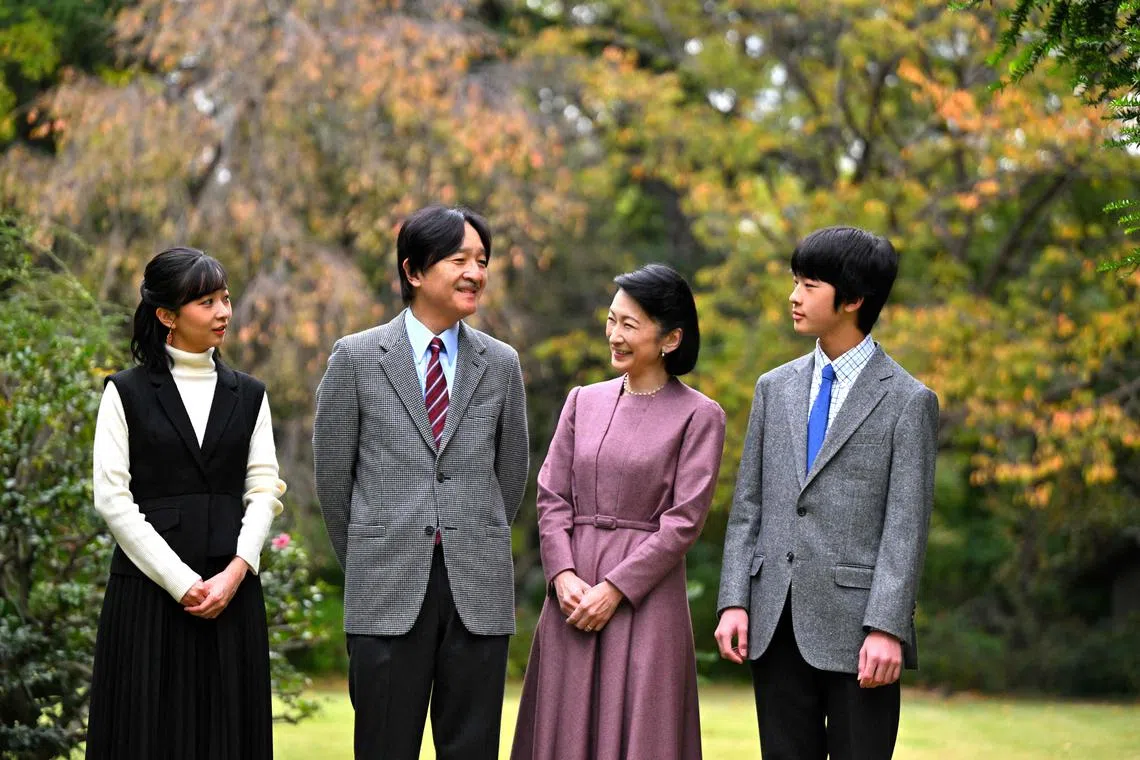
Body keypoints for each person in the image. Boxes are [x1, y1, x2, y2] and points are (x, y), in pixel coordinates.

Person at [714, 226, 939, 759]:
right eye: (795, 281)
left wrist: (887, 626)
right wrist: (733, 600)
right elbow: (749, 504)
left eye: (809, 284)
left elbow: (906, 526)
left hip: (861, 635)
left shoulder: (909, 401)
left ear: (853, 300)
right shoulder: (774, 387)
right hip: (774, 621)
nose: (793, 296)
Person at [313, 204, 529, 760]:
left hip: (476, 590)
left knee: (473, 747)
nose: (475, 272)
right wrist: (372, 551)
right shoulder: (356, 357)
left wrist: (468, 535)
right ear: (413, 271)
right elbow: (334, 481)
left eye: (482, 260)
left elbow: (511, 474)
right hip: (384, 588)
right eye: (459, 259)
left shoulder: (500, 363)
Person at [512, 263, 726, 760]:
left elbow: (684, 521)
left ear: (670, 338)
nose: (614, 335)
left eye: (629, 324)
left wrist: (616, 589)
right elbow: (552, 496)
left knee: (640, 733)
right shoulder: (581, 401)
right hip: (570, 594)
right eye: (612, 320)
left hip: (644, 600)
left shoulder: (700, 415)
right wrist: (561, 575)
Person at [86, 247, 286, 760]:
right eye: (206, 302)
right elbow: (112, 499)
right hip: (148, 600)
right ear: (167, 316)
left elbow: (264, 489)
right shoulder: (124, 393)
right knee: (145, 736)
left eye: (225, 298)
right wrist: (182, 584)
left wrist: (237, 571)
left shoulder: (250, 394)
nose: (223, 312)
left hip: (232, 596)